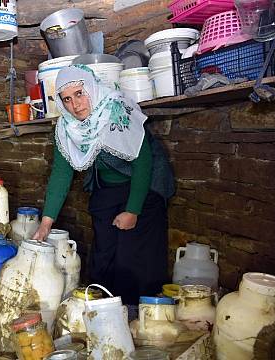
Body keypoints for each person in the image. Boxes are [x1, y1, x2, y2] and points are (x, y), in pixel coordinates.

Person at [32, 65, 175, 305]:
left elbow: (143, 161)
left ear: (92, 88)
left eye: (79, 93)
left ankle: (138, 314)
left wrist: (132, 211)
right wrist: (46, 224)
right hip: (108, 185)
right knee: (104, 256)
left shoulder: (118, 111)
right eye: (67, 99)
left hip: (145, 183)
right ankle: (104, 309)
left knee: (132, 257)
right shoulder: (67, 128)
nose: (75, 105)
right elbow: (61, 173)